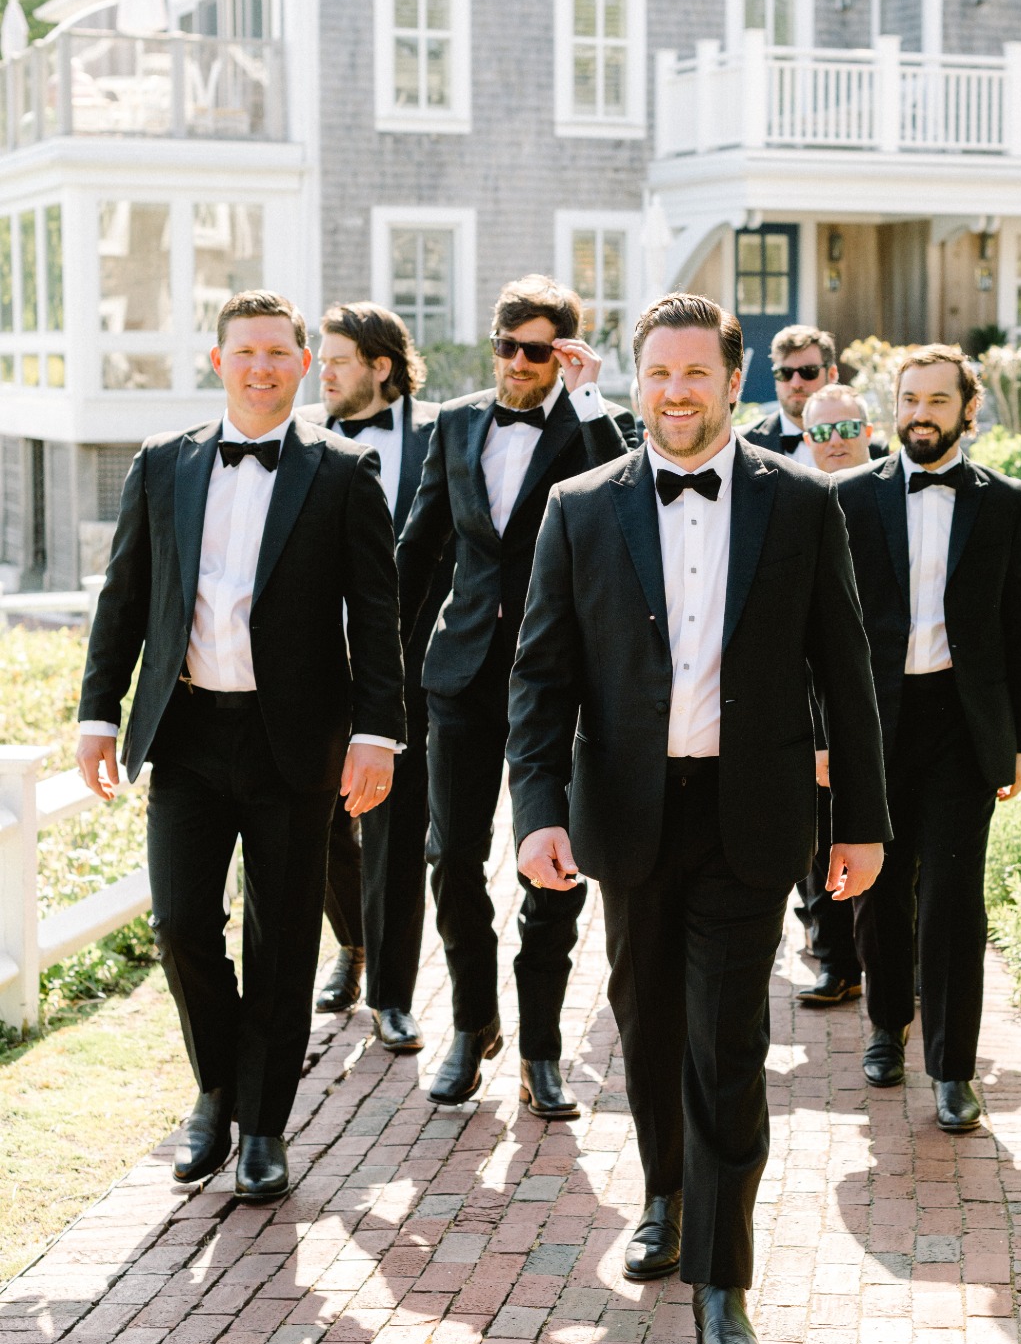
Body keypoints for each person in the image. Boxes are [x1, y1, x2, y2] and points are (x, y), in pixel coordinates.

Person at [507, 293, 889, 1344]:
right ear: (641, 381)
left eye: (695, 374)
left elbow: (844, 672)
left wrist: (859, 821)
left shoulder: (801, 507)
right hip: (624, 814)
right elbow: (541, 678)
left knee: (728, 1041)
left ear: (734, 383)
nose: (675, 393)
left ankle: (724, 1283)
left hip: (749, 813)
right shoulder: (580, 508)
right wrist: (537, 813)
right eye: (658, 374)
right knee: (645, 1022)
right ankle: (665, 1193)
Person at [75, 291, 404, 1203]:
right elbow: (126, 599)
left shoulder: (344, 472)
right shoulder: (161, 464)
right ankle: (216, 1085)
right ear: (218, 362)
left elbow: (378, 616)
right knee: (182, 923)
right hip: (184, 732)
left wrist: (377, 733)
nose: (261, 367)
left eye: (278, 353)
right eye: (244, 352)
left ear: (304, 364)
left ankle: (262, 1128)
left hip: (293, 741)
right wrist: (97, 713)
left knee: (285, 937)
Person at [396, 275, 633, 1116]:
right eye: (510, 347)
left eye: (540, 351)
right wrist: (378, 672)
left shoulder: (592, 428)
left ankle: (541, 1047)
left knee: (553, 868)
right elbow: (419, 546)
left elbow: (627, 499)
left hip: (561, 680)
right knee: (450, 854)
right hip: (458, 675)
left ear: (563, 354)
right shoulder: (455, 424)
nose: (521, 364)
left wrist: (589, 394)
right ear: (494, 343)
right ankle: (471, 1024)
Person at [835, 344, 1021, 1132]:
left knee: (955, 897)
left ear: (968, 409)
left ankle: (954, 1070)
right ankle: (887, 1025)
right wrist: (825, 736)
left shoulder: (1003, 501)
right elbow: (821, 632)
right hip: (875, 721)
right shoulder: (848, 497)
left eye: (936, 401)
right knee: (880, 885)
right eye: (910, 399)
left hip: (963, 724)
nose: (920, 414)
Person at [305, 303, 451, 1055]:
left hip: (415, 672)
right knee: (325, 822)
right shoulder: (298, 439)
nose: (320, 372)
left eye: (335, 360)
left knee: (396, 834)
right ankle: (352, 944)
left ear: (381, 366)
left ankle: (393, 998)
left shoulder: (442, 437)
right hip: (318, 667)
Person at [793, 384, 878, 1007]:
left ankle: (896, 963)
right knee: (817, 841)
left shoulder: (887, 498)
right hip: (814, 711)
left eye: (846, 428)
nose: (835, 441)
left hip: (889, 701)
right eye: (821, 432)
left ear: (868, 430)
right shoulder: (792, 503)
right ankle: (835, 961)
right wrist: (820, 737)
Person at [743, 324, 838, 464]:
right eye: (785, 373)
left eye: (808, 371)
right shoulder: (744, 445)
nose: (796, 383)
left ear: (831, 375)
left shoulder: (870, 448)